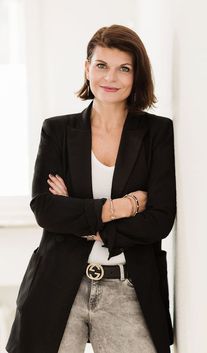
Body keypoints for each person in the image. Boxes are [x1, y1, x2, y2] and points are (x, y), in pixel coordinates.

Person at [6, 24, 176, 353]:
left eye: (123, 68)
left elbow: (160, 220)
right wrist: (120, 208)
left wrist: (85, 219)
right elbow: (45, 208)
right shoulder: (57, 131)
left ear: (136, 74)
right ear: (87, 68)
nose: (110, 78)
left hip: (130, 288)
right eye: (101, 66)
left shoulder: (157, 133)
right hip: (57, 285)